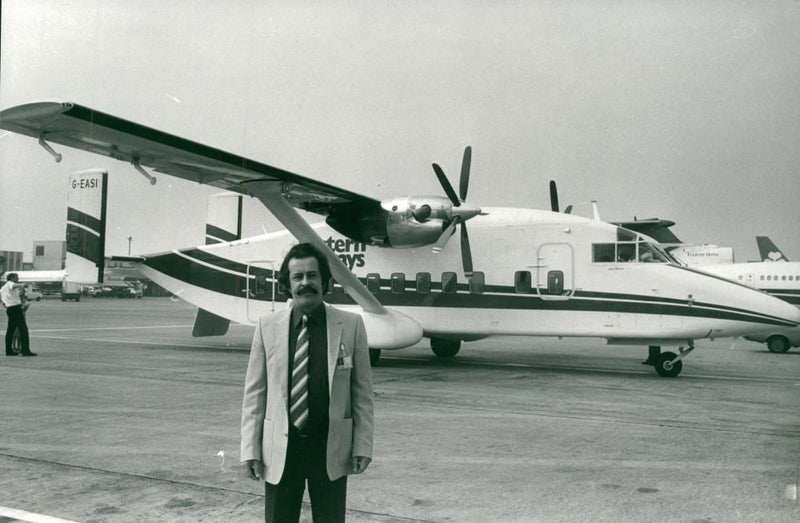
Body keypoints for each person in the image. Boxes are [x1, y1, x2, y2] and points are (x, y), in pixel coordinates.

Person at [241, 243, 373, 522]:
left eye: (312, 276)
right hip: (281, 450)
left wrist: (362, 445)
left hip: (330, 448)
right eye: (297, 277)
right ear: (288, 285)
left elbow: (362, 394)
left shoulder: (351, 326)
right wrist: (250, 449)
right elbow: (255, 395)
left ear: (325, 281)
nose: (305, 283)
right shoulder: (267, 327)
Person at [1, 273, 36, 356]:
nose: (18, 279)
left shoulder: (2, 289)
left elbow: (3, 300)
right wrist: (22, 285)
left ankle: (8, 350)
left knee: (10, 330)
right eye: (16, 277)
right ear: (12, 278)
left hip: (9, 309)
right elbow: (13, 285)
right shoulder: (10, 284)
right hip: (16, 308)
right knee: (23, 328)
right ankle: (25, 350)